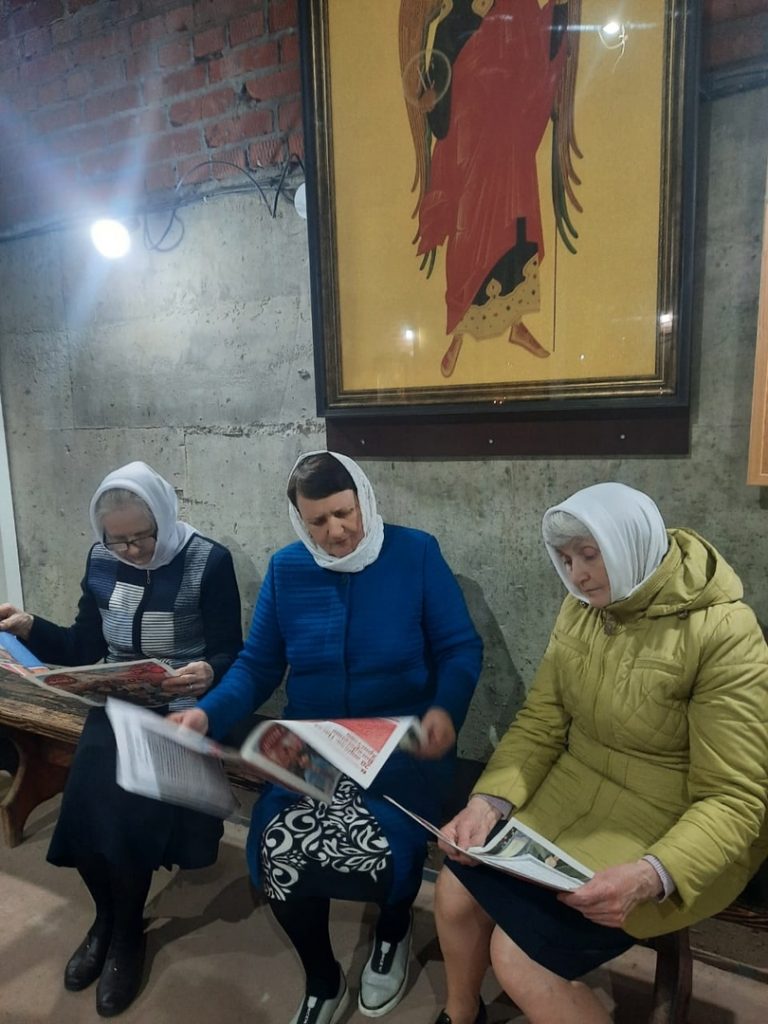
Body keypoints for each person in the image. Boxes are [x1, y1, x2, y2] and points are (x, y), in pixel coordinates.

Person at [434, 482, 768, 1024]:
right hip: (576, 787)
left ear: (628, 542)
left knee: (520, 959)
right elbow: (542, 721)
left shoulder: (723, 631)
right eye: (566, 560)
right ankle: (460, 1014)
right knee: (452, 890)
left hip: (667, 818)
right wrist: (486, 804)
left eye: (590, 555)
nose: (578, 575)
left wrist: (650, 874)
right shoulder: (580, 610)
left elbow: (734, 799)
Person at [173, 451, 483, 1024]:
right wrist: (205, 715)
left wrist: (446, 710)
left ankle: (391, 930)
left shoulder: (415, 553)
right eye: (318, 521)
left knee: (384, 844)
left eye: (345, 513)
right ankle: (322, 975)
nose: (336, 531)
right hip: (312, 748)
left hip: (402, 746)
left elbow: (459, 648)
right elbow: (256, 665)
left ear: (364, 499)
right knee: (275, 847)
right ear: (300, 519)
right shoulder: (287, 569)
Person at [0, 461, 242, 1018]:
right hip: (117, 700)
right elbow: (84, 646)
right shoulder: (101, 561)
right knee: (83, 816)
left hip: (181, 711)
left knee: (127, 816)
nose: (131, 550)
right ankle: (106, 918)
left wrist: (209, 671)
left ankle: (126, 934)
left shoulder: (208, 561)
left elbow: (233, 651)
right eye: (118, 540)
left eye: (142, 536)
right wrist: (30, 626)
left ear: (164, 517)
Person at [398, 0, 580, 377]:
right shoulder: (451, 27)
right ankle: (458, 337)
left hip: (508, 146)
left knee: (515, 231)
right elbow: (440, 108)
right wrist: (431, 103)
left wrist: (560, 11)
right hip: (468, 151)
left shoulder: (517, 10)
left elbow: (539, 60)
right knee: (468, 239)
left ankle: (516, 326)